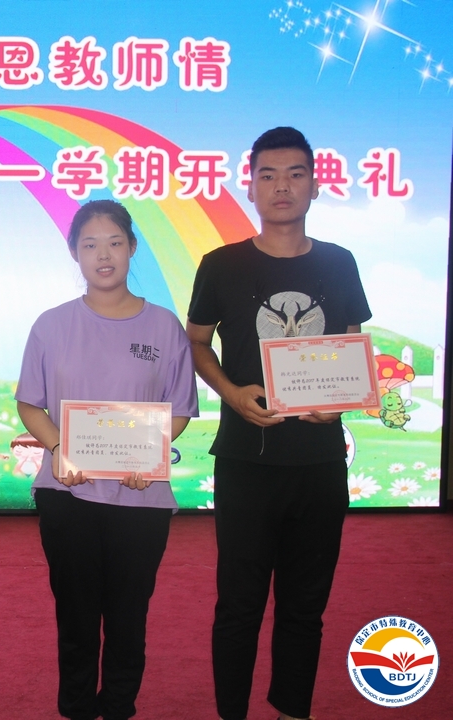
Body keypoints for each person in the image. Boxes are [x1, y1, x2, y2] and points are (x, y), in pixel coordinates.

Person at [186, 127, 371, 720]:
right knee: (238, 605)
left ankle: (293, 709)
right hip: (246, 460)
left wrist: (340, 401)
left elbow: (350, 345)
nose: (282, 186)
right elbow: (196, 343)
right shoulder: (221, 265)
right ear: (251, 187)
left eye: (295, 174)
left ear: (315, 185)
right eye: (268, 175)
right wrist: (232, 393)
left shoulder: (339, 263)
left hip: (319, 462)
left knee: (304, 606)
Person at [15, 199, 198, 720]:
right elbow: (30, 403)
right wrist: (58, 448)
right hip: (67, 495)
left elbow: (179, 409)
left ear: (132, 248)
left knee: (127, 619)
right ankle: (75, 708)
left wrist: (151, 452)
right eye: (90, 244)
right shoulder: (51, 325)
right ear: (75, 252)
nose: (103, 255)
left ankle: (119, 707)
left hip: (141, 498)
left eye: (115, 243)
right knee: (75, 619)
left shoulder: (164, 327)